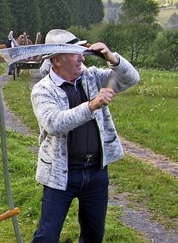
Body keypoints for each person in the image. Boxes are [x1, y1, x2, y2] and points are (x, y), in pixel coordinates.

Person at [30, 29, 140, 242]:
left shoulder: (91, 77)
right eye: (75, 53)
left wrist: (111, 57)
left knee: (93, 235)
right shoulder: (43, 90)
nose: (82, 57)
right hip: (61, 172)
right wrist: (91, 106)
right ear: (57, 60)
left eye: (81, 52)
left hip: (96, 171)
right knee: (47, 235)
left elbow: (131, 79)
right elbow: (54, 123)